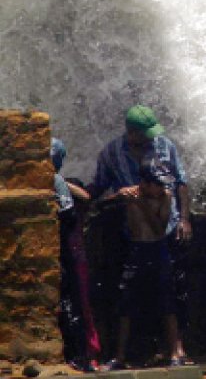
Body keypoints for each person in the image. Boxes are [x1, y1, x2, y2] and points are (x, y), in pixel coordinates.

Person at [89, 105, 192, 363]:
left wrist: (185, 220)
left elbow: (181, 182)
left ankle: (176, 347)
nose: (150, 139)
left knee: (174, 291)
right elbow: (99, 191)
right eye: (145, 134)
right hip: (130, 235)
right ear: (131, 133)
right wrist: (118, 195)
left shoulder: (164, 146)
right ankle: (127, 352)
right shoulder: (112, 153)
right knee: (128, 296)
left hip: (164, 229)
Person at [107, 160, 180, 369]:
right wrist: (118, 197)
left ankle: (174, 353)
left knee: (168, 303)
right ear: (145, 183)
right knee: (126, 304)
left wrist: (141, 205)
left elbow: (159, 228)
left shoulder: (166, 197)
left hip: (158, 249)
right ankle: (120, 356)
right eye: (157, 184)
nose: (161, 189)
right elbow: (102, 206)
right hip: (136, 250)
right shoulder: (130, 193)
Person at [52, 138, 101, 372]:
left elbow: (81, 201)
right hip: (65, 256)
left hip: (73, 256)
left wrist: (60, 182)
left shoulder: (61, 184)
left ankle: (87, 355)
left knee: (79, 306)